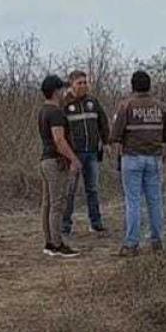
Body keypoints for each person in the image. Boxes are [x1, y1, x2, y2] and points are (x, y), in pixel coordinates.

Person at [110, 70, 166, 256]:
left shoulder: (126, 106)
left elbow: (115, 135)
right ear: (149, 85)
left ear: (132, 86)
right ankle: (158, 241)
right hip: (154, 159)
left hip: (131, 159)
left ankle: (131, 244)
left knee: (133, 201)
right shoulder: (161, 107)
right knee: (155, 201)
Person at [61, 70, 109, 236]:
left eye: (84, 82)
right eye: (79, 83)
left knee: (93, 189)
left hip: (92, 153)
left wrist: (106, 142)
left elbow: (103, 122)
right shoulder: (65, 105)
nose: (83, 85)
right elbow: (60, 131)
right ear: (72, 84)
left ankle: (96, 223)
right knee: (70, 191)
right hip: (73, 155)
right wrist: (67, 155)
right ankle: (65, 225)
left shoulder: (93, 102)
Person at [37, 75, 80, 257]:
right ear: (56, 92)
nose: (64, 92)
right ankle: (57, 243)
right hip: (55, 162)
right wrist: (73, 159)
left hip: (45, 160)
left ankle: (49, 241)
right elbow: (59, 139)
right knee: (57, 204)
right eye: (61, 89)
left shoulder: (43, 110)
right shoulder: (55, 113)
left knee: (47, 204)